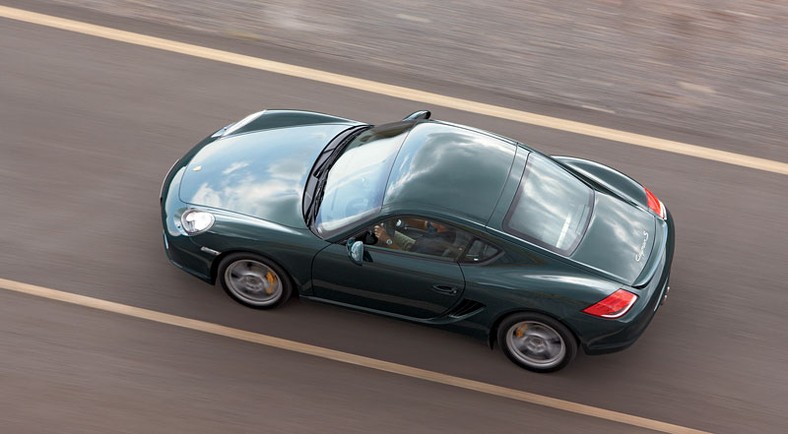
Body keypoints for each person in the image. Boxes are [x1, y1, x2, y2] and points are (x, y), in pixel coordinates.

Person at [373, 218, 456, 257]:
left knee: (381, 238)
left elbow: (406, 260)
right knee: (379, 230)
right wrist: (404, 216)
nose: (430, 219)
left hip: (409, 256)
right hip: (414, 247)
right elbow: (422, 224)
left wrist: (388, 240)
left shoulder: (435, 244)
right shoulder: (441, 228)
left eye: (434, 219)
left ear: (442, 226)